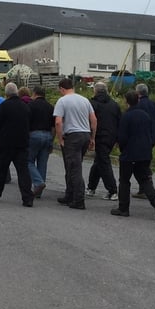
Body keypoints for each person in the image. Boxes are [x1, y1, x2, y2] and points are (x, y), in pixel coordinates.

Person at [111, 91, 155, 219]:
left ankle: (123, 208)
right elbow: (152, 133)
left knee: (124, 180)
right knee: (144, 179)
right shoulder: (146, 116)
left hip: (129, 153)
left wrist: (122, 149)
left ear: (126, 101)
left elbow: (123, 137)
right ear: (138, 100)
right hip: (145, 153)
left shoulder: (126, 116)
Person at [0, 83, 34, 207]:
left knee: (1, 170)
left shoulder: (4, 106)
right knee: (23, 171)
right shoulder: (25, 106)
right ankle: (27, 198)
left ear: (6, 94)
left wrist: (2, 134)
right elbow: (30, 123)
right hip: (22, 143)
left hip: (6, 143)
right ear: (17, 92)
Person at [54, 78, 97, 210]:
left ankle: (78, 199)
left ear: (62, 88)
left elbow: (58, 122)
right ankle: (69, 194)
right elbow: (94, 120)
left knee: (74, 168)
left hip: (72, 136)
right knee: (72, 166)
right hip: (85, 134)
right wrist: (92, 137)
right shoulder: (85, 100)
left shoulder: (62, 101)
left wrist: (60, 138)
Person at [86, 82, 120, 201]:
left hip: (99, 136)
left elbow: (89, 121)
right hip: (111, 138)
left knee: (103, 163)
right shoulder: (114, 105)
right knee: (99, 162)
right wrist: (117, 139)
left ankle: (113, 190)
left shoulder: (92, 104)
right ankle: (91, 187)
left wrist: (91, 137)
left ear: (95, 91)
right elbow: (119, 122)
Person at [132, 83, 155, 198]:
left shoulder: (138, 105)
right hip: (151, 138)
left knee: (138, 164)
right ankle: (145, 187)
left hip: (139, 138)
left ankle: (145, 187)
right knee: (145, 162)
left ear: (138, 93)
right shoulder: (154, 105)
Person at [28, 85, 55, 198]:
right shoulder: (50, 107)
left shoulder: (30, 105)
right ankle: (38, 190)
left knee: (28, 161)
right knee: (42, 163)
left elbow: (27, 122)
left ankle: (38, 183)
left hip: (34, 135)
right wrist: (52, 140)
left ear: (34, 93)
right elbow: (54, 125)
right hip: (48, 135)